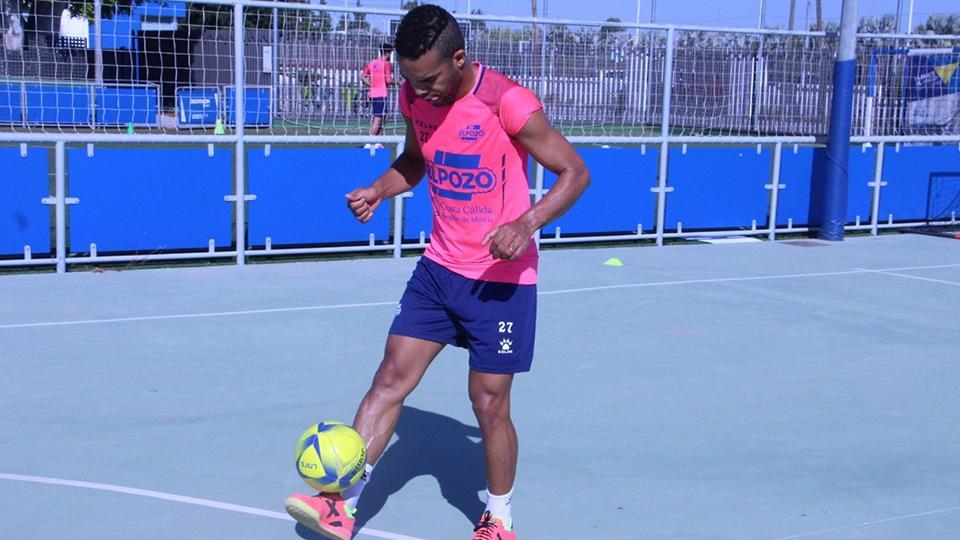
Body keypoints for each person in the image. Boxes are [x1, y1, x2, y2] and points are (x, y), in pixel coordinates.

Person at [284, 5, 589, 539]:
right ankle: (342, 506)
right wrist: (379, 189)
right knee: (388, 380)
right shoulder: (413, 95)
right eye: (409, 80)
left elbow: (574, 172)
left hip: (500, 281)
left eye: (428, 79)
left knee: (488, 403)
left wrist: (527, 221)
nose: (418, 91)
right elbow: (415, 160)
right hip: (438, 270)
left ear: (459, 58)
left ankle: (498, 518)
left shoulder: (507, 102)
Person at [361, 42, 395, 149]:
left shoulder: (372, 63)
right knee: (378, 118)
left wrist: (371, 85)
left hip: (373, 94)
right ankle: (369, 142)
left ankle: (378, 141)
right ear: (388, 53)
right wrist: (398, 82)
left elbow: (362, 77)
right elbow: (388, 80)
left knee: (385, 117)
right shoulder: (387, 64)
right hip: (381, 94)